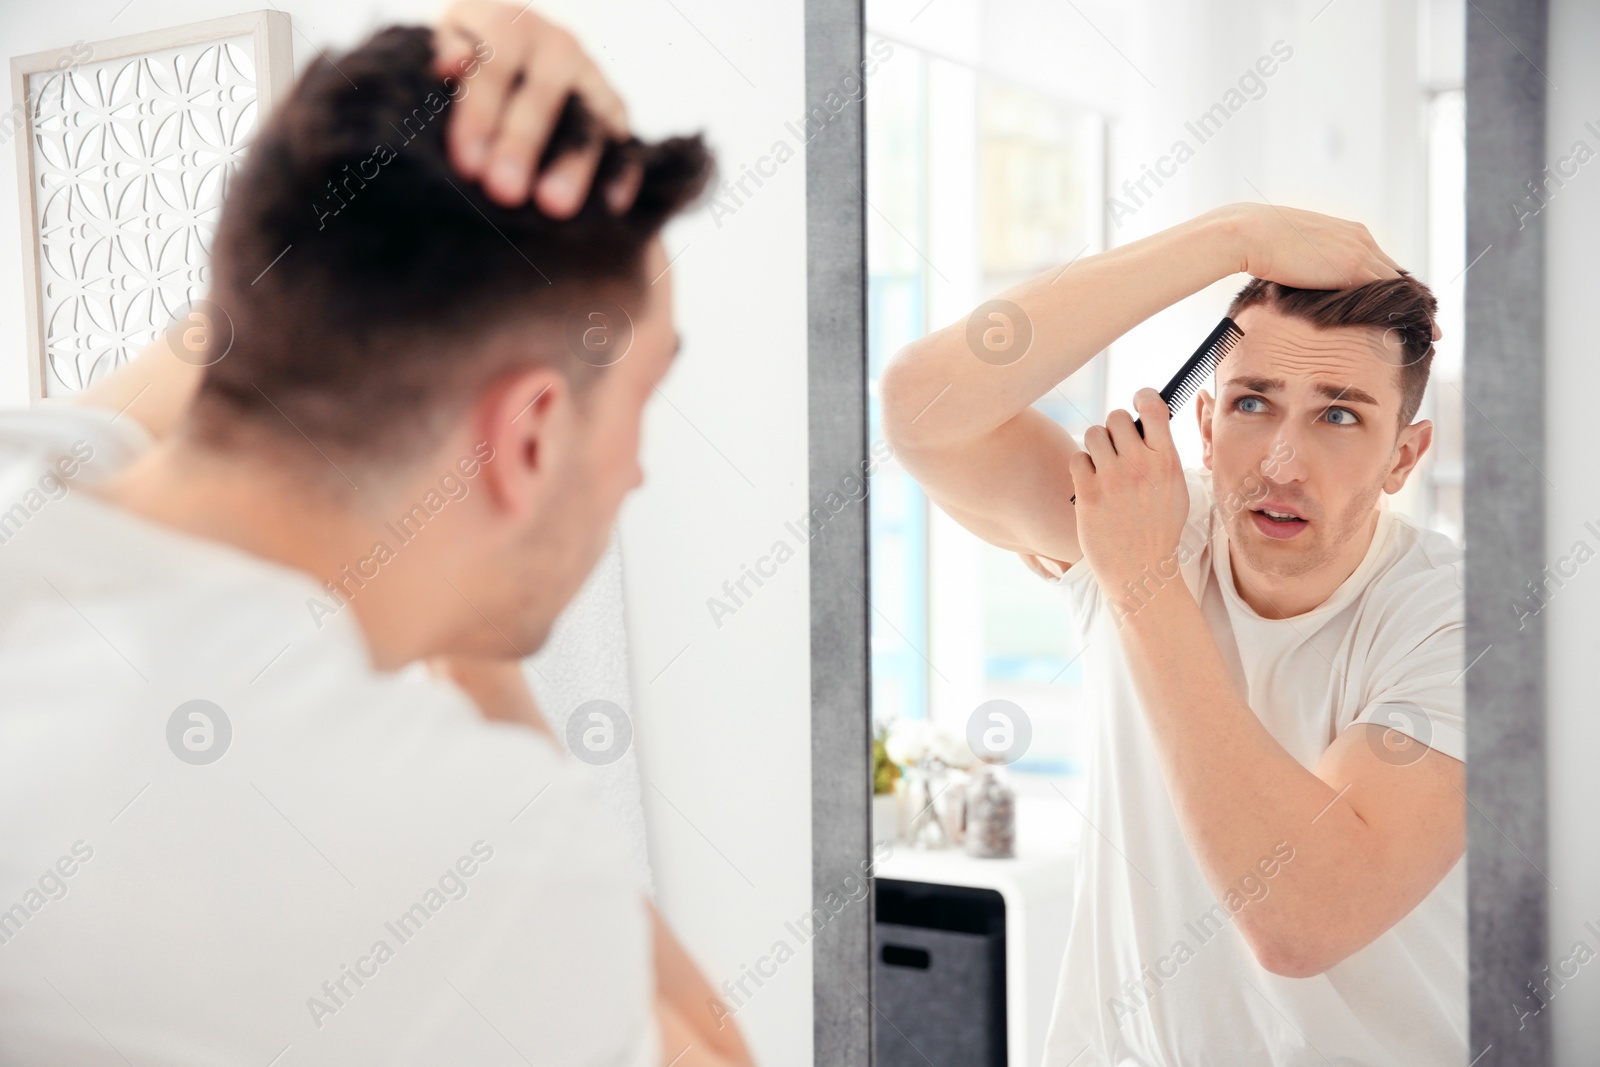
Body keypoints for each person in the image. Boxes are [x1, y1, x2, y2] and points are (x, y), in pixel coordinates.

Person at [0, 4, 753, 1066]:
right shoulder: (439, 837)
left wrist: (442, 80)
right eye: (641, 396)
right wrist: (485, 662)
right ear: (531, 433)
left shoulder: (30, 472)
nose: (635, 469)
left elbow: (284, 299)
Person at [880, 204, 1464, 1066]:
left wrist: (1142, 585)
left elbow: (1302, 915)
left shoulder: (1452, 622)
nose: (1281, 463)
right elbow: (921, 409)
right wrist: (1232, 238)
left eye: (1339, 416)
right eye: (1254, 403)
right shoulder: (1150, 515)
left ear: (1402, 459)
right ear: (1204, 423)